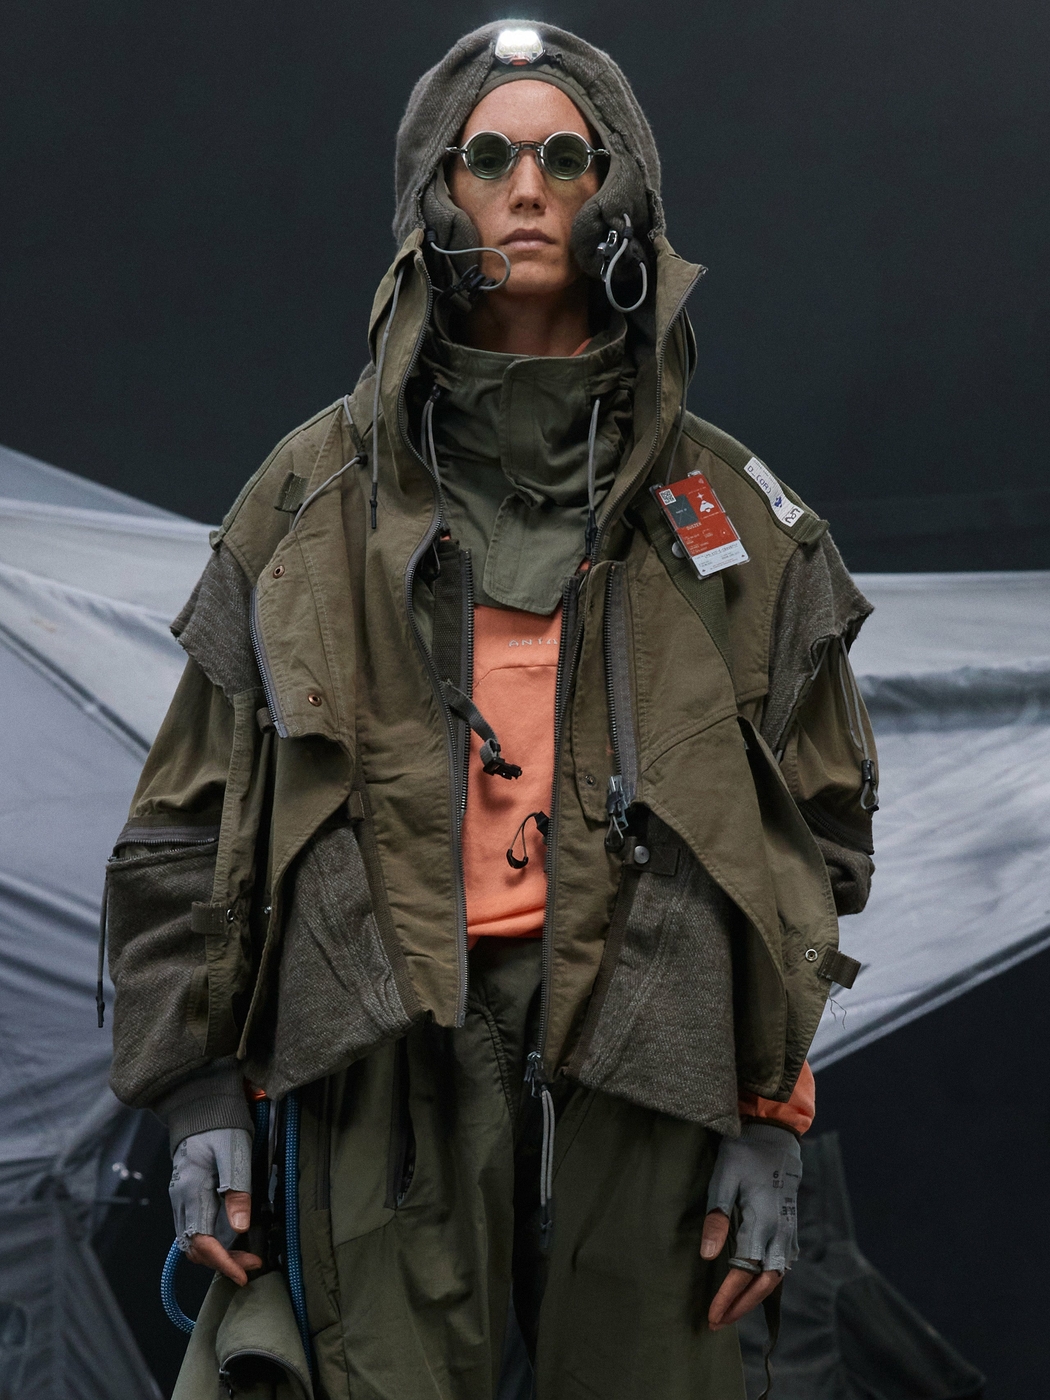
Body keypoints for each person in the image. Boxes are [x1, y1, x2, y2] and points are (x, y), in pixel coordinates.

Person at [103, 21, 878, 1399]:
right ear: (436, 192)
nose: (528, 188)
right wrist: (195, 1085)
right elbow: (188, 813)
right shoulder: (310, 502)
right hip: (379, 1049)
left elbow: (813, 841)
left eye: (567, 158)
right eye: (490, 157)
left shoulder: (737, 529)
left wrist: (773, 1109)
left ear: (618, 194)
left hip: (653, 1050)